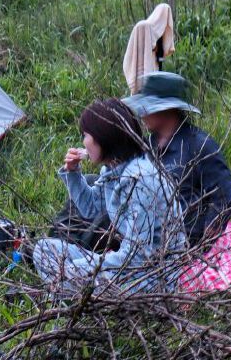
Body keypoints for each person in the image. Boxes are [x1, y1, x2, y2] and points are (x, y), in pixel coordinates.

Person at [33, 99, 186, 293]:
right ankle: (74, 295)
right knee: (44, 250)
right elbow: (91, 208)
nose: (83, 142)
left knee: (70, 273)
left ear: (103, 137)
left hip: (151, 278)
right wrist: (72, 173)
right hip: (128, 268)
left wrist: (84, 267)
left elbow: (138, 256)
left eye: (86, 135)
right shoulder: (115, 169)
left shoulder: (140, 180)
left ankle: (76, 300)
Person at [122, 72, 231, 249]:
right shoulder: (147, 145)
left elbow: (225, 197)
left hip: (183, 244)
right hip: (147, 236)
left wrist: (202, 243)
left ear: (166, 109)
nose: (142, 114)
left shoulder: (200, 146)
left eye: (148, 107)